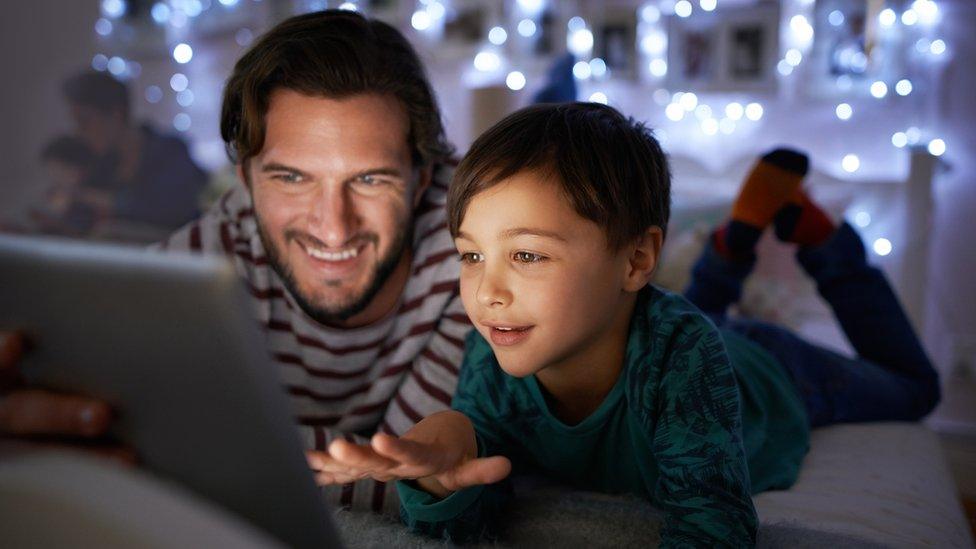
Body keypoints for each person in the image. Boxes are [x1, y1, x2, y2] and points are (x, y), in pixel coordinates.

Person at [317, 103, 941, 546]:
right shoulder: (495, 345)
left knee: (915, 389)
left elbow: (712, 527)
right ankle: (732, 240)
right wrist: (439, 467)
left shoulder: (683, 357)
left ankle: (820, 237)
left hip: (771, 373)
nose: (487, 291)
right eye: (471, 254)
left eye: (527, 255)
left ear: (638, 257)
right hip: (670, 327)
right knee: (688, 316)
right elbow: (469, 511)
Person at [0, 10, 469, 515]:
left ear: (422, 179)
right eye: (292, 178)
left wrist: (199, 438)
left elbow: (412, 480)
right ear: (244, 180)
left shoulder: (474, 244)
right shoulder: (203, 263)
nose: (334, 227)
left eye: (371, 180)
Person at [62, 71, 208, 231]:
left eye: (85, 122)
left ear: (116, 115)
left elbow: (173, 209)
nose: (79, 132)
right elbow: (81, 218)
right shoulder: (100, 163)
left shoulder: (170, 151)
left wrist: (98, 200)